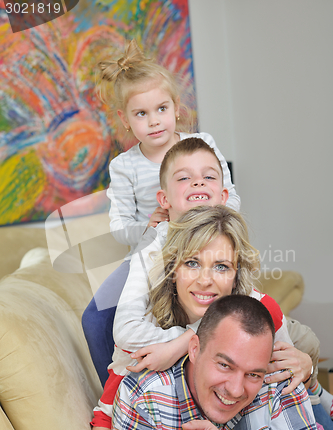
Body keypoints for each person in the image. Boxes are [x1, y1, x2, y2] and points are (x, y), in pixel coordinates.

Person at [81, 40, 240, 386]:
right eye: (141, 114)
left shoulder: (202, 144)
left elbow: (233, 199)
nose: (154, 122)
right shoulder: (124, 167)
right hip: (152, 252)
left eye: (161, 109)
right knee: (94, 318)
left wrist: (208, 218)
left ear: (176, 108)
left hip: (205, 244)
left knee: (238, 302)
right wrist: (147, 225)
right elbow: (119, 229)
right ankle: (118, 388)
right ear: (125, 119)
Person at [111, 295, 326, 430]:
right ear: (194, 349)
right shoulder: (142, 392)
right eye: (225, 365)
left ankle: (319, 391)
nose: (235, 390)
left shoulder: (279, 378)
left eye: (253, 375)